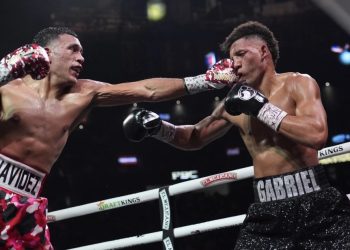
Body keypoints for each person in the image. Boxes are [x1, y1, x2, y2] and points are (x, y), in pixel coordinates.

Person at [0, 27, 237, 249]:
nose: (81, 58)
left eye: (82, 52)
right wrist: (2, 73)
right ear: (46, 53)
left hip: (29, 202)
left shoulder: (85, 93)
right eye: (73, 49)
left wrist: (205, 81)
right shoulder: (10, 89)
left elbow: (147, 90)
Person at [123, 21, 350, 249]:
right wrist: (157, 127)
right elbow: (195, 137)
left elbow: (317, 134)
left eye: (241, 54)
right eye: (232, 59)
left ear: (263, 52)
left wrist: (261, 108)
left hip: (316, 203)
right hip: (267, 210)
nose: (235, 65)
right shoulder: (234, 102)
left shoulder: (298, 83)